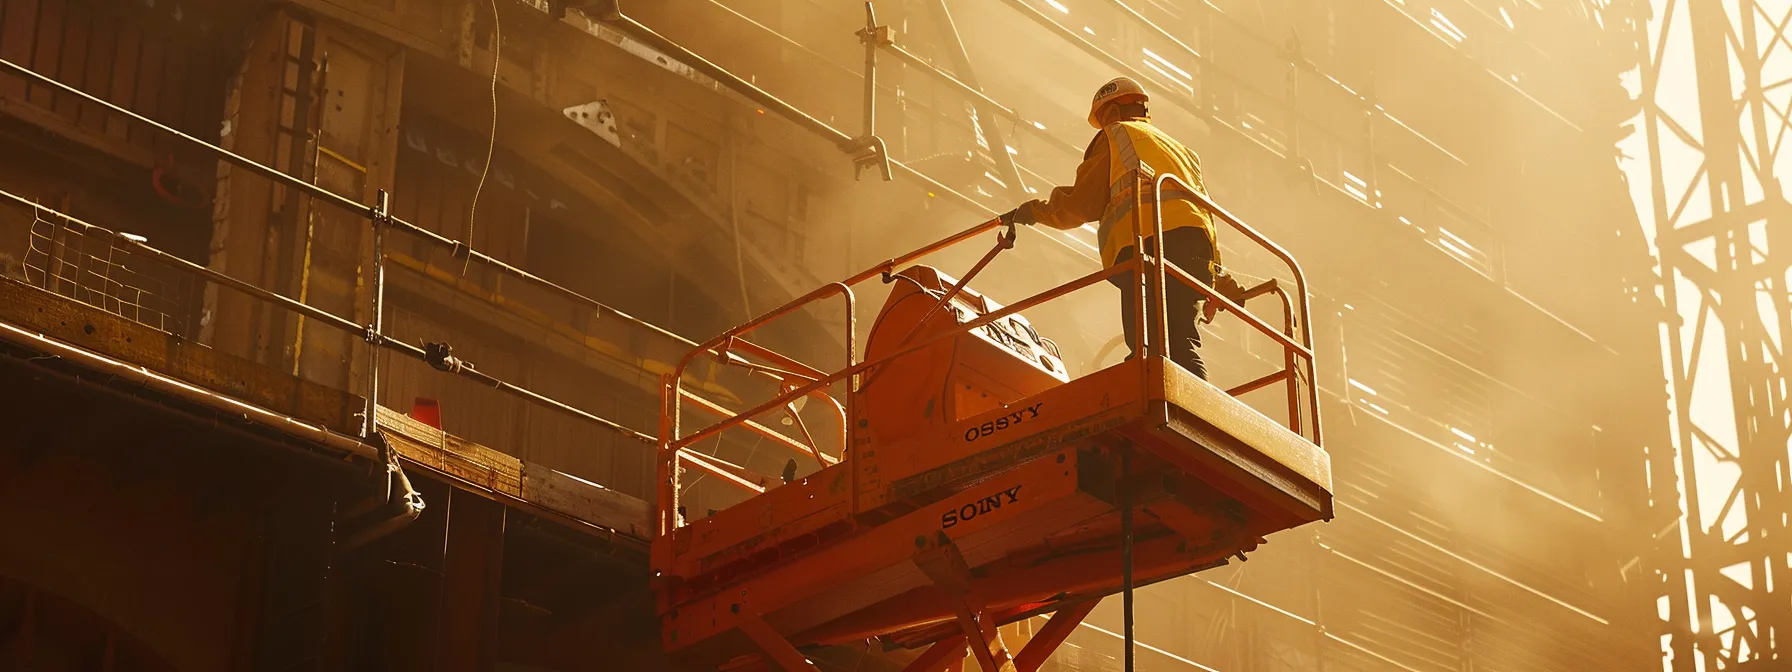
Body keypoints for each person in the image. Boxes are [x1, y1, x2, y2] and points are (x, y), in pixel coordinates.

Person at [1006, 76, 1243, 379]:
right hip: (1192, 251)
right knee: (1179, 340)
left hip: (1149, 243)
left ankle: (1153, 399)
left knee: (1149, 345)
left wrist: (1034, 211)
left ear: (1114, 112)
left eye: (1103, 117)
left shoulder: (1116, 135)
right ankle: (1197, 411)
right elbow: (1202, 214)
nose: (1103, 125)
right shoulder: (1180, 150)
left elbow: (1082, 204)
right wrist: (1216, 276)